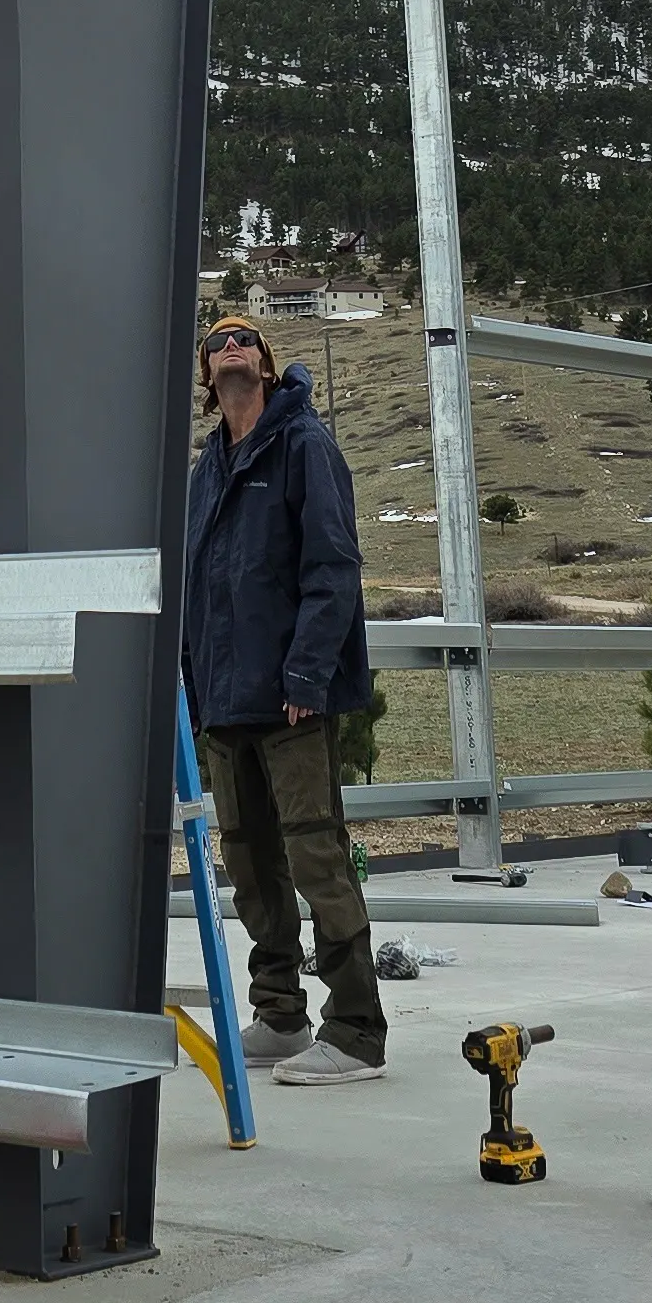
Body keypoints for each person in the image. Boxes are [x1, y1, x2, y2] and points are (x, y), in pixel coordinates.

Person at [181, 312, 386, 1086]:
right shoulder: (206, 473)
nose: (231, 347)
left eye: (245, 339)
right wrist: (193, 691)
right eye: (217, 342)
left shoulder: (305, 446)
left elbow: (333, 568)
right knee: (250, 864)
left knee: (314, 856)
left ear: (265, 365)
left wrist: (306, 676)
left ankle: (357, 1031)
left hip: (291, 701)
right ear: (207, 376)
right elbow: (196, 590)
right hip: (225, 703)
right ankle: (279, 1015)